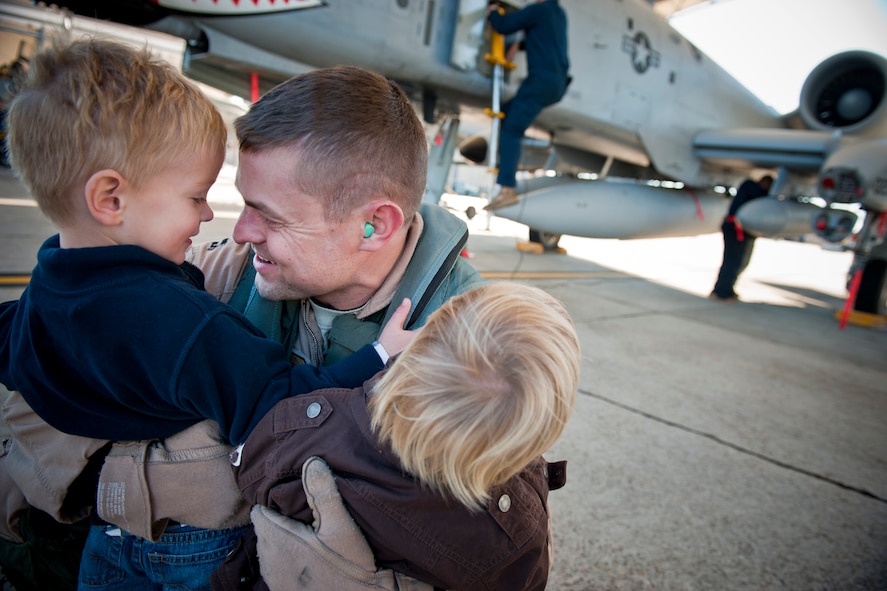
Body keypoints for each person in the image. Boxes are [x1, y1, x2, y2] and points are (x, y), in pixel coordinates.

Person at [0, 38, 413, 591]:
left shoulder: (46, 287)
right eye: (196, 196)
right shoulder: (182, 323)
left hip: (104, 535)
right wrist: (381, 354)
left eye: (265, 213)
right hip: (191, 545)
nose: (216, 218)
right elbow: (284, 404)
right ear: (110, 200)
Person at [223, 281, 580, 591]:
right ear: (536, 439)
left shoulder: (319, 429)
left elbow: (249, 463)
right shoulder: (513, 537)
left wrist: (378, 355)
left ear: (420, 346)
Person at [484, 0, 570, 210]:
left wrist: (493, 12)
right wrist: (519, 45)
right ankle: (504, 168)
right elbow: (546, 40)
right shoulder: (558, 13)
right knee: (506, 114)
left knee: (512, 129)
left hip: (540, 82)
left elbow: (503, 25)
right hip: (557, 84)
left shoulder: (538, 11)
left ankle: (507, 188)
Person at [710, 174, 774, 301]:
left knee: (739, 262)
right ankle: (721, 292)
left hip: (741, 230)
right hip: (736, 230)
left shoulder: (750, 189)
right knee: (732, 261)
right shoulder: (751, 187)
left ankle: (726, 288)